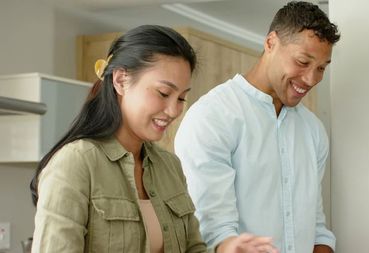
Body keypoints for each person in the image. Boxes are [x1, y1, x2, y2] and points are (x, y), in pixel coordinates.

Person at [29, 25, 276, 253]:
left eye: (181, 98)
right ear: (120, 80)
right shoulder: (76, 163)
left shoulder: (169, 166)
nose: (173, 110)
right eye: (164, 93)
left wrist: (225, 250)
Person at [174, 2, 340, 253]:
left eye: (321, 69)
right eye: (303, 62)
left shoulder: (313, 131)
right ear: (271, 43)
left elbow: (315, 227)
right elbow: (212, 233)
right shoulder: (212, 117)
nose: (311, 79)